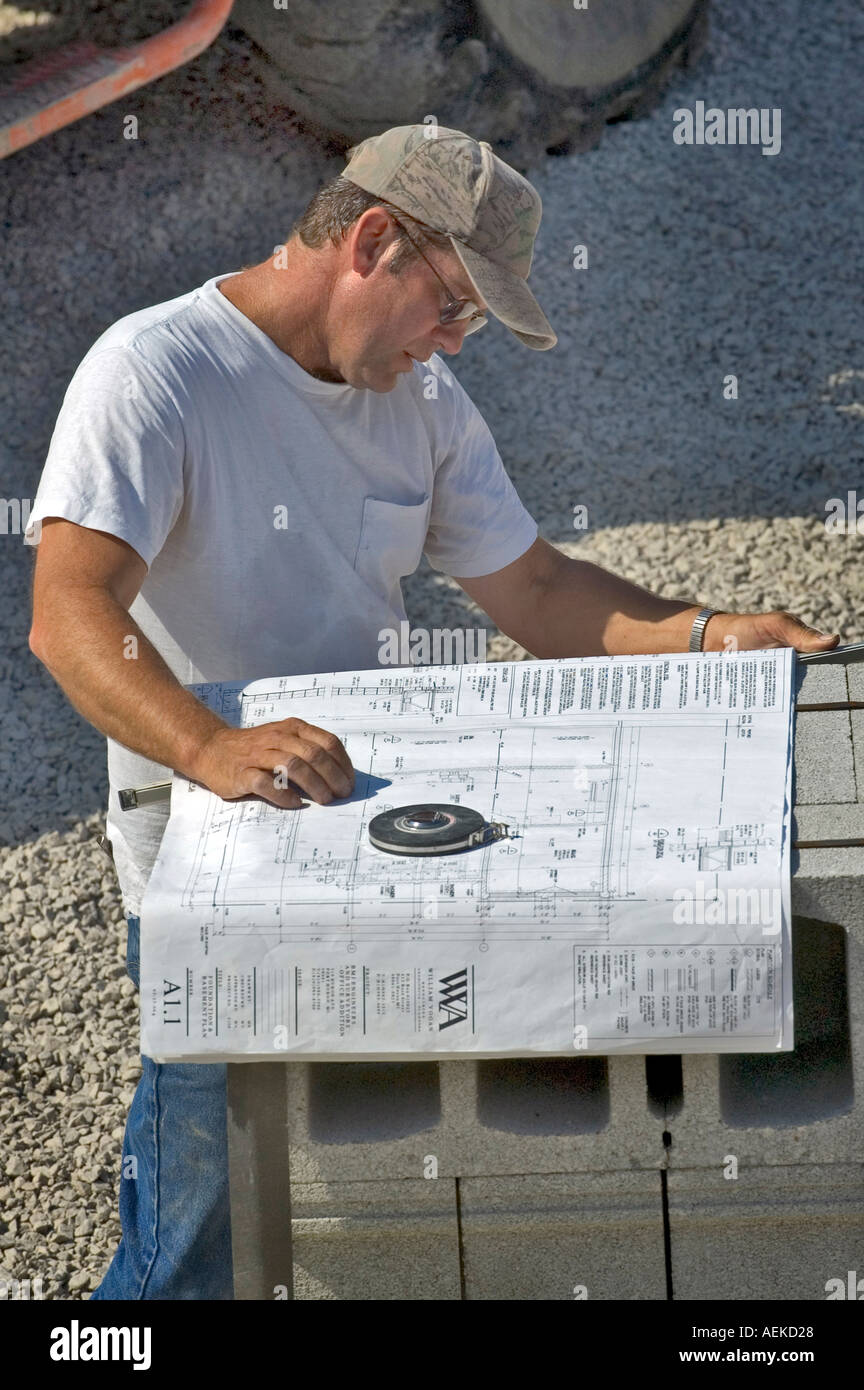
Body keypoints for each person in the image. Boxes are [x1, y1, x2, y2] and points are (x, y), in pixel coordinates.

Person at [24, 124, 839, 1300]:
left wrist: (711, 634)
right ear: (371, 242)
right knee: (200, 1228)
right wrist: (211, 744)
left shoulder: (424, 403)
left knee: (370, 1206)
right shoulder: (156, 373)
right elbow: (69, 612)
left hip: (366, 846)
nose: (454, 344)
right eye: (451, 307)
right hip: (208, 870)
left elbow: (541, 591)